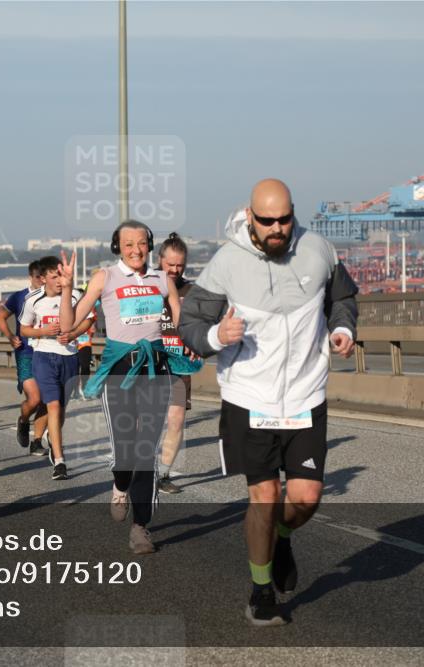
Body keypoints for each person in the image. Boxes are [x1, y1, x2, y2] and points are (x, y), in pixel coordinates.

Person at [178, 179, 358, 627]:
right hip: (249, 397)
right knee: (265, 495)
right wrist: (217, 335)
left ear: (293, 212)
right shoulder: (227, 262)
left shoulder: (318, 250)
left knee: (307, 498)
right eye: (266, 221)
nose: (277, 229)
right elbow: (190, 324)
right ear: (250, 216)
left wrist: (342, 329)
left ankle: (282, 535)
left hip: (305, 395)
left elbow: (342, 297)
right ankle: (261, 592)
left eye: (284, 219)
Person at [59, 220, 193, 555]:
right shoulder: (105, 277)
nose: (136, 250)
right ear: (117, 246)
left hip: (155, 370)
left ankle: (140, 527)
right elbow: (67, 324)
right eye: (128, 244)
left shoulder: (162, 279)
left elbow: (181, 322)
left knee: (146, 450)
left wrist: (194, 342)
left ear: (150, 245)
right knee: (125, 452)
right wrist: (66, 289)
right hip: (119, 372)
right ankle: (120, 485)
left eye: (141, 243)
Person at [19, 256, 95, 478]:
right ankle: (60, 461)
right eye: (55, 277)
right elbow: (24, 329)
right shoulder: (33, 299)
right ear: (44, 279)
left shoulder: (75, 295)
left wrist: (72, 334)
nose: (60, 281)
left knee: (60, 409)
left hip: (69, 356)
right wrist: (43, 331)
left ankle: (52, 438)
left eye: (61, 276)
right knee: (51, 405)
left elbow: (90, 319)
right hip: (43, 356)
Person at [156, 232, 199, 494]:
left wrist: (197, 344)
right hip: (149, 363)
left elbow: (202, 326)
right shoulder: (146, 285)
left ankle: (162, 474)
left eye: (180, 265)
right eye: (170, 264)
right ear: (159, 260)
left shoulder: (192, 292)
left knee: (176, 419)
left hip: (179, 366)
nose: (174, 269)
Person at [0, 260, 49, 455]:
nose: (41, 280)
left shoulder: (52, 296)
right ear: (30, 277)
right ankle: (23, 420)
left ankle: (37, 441)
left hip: (47, 353)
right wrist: (11, 336)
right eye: (37, 277)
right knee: (34, 399)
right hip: (26, 353)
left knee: (46, 399)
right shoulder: (19, 297)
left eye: (44, 277)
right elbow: (0, 317)